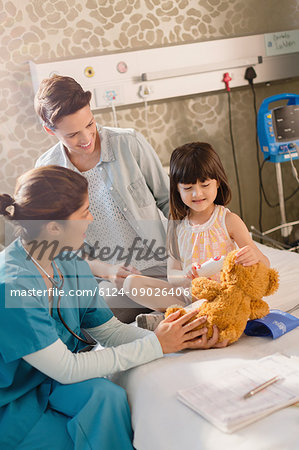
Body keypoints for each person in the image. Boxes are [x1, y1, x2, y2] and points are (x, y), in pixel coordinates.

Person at [0, 165, 225, 449]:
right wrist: (157, 344)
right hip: (14, 399)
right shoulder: (12, 286)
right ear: (55, 226)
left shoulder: (69, 259)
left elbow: (109, 331)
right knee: (64, 440)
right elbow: (67, 369)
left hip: (51, 381)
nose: (91, 219)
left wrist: (180, 338)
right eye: (83, 213)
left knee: (110, 398)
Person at [34, 75, 169, 322]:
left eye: (90, 124)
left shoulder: (129, 143)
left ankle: (167, 312)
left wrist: (195, 251)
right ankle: (163, 317)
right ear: (49, 130)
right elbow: (62, 245)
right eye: (73, 134)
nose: (86, 139)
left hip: (158, 269)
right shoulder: (49, 171)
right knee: (81, 320)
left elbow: (170, 202)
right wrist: (108, 272)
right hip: (105, 279)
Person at [123, 142, 270, 329]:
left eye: (205, 184)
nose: (197, 193)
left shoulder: (228, 220)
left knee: (230, 298)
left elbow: (265, 264)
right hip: (190, 295)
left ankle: (184, 318)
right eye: (188, 187)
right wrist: (185, 276)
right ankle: (193, 316)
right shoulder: (176, 227)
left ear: (217, 182)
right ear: (177, 189)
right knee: (131, 284)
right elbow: (172, 274)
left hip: (223, 293)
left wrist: (253, 256)